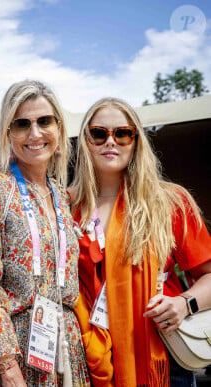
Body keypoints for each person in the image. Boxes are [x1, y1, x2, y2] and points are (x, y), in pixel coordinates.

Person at [70, 97, 211, 386]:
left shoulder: (169, 201)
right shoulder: (65, 205)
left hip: (161, 356)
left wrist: (184, 304)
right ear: (85, 140)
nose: (111, 141)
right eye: (99, 133)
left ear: (136, 141)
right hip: (89, 356)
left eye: (122, 133)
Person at [0, 80, 90, 386]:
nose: (34, 133)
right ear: (7, 132)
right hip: (9, 349)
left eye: (44, 121)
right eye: (21, 124)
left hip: (63, 345)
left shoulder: (60, 195)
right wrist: (7, 367)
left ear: (58, 127)